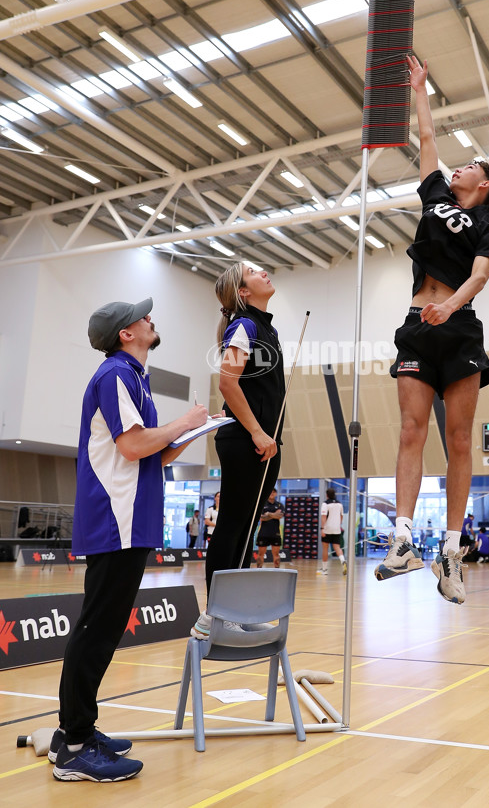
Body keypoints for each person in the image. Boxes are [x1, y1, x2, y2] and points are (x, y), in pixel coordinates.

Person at [51, 298, 208, 782]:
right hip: (114, 520)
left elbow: (150, 457)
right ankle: (74, 745)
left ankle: (76, 731)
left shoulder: (134, 378)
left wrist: (187, 434)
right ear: (126, 333)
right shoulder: (116, 375)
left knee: (102, 630)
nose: (150, 320)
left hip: (130, 519)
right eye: (143, 317)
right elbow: (134, 445)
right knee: (96, 631)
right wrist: (182, 422)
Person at [375, 53, 489, 605]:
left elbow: (480, 276)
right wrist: (420, 89)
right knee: (411, 432)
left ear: (484, 184)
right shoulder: (435, 196)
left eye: (470, 166)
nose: (459, 167)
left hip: (459, 328)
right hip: (416, 323)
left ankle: (451, 550)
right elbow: (426, 138)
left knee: (458, 440)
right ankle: (402, 538)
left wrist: (450, 307)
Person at [191, 263, 285, 640]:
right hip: (248, 440)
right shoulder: (244, 326)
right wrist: (259, 433)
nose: (264, 272)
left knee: (247, 529)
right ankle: (213, 616)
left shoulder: (267, 328)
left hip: (263, 441)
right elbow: (228, 384)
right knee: (232, 525)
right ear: (243, 292)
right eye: (254, 272)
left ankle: (237, 612)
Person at [317, 488, 347, 576]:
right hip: (337, 529)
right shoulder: (339, 504)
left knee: (325, 548)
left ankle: (325, 569)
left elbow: (323, 517)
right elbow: (341, 517)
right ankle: (343, 561)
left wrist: (322, 528)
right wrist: (338, 525)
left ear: (327, 495)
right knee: (337, 547)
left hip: (327, 529)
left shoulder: (325, 504)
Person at [256, 488, 285, 568]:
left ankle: (277, 571)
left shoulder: (279, 505)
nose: (272, 493)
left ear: (276, 494)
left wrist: (268, 514)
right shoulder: (262, 505)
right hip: (263, 533)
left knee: (276, 554)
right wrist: (274, 514)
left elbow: (280, 516)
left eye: (274, 492)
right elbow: (261, 518)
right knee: (261, 554)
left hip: (275, 533)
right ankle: (259, 570)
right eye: (270, 492)